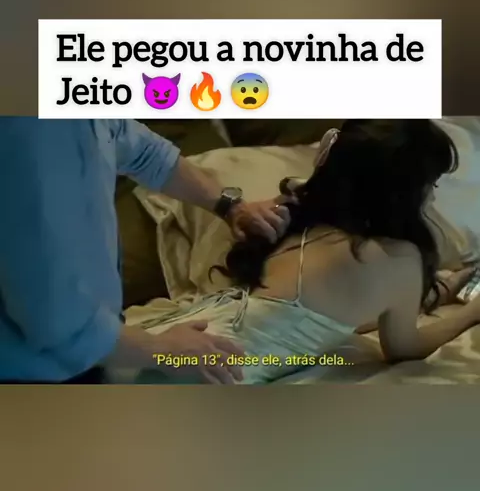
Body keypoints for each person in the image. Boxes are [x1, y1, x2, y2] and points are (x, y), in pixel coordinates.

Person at [135, 119, 480, 383]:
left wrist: (437, 293)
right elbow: (405, 348)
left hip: (162, 345)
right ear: (403, 190)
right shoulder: (398, 258)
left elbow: (325, 319)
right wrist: (470, 313)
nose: (433, 195)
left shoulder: (304, 222)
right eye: (430, 183)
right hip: (209, 373)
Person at [0, 118, 290, 384]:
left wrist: (229, 205)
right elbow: (59, 321)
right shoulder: (36, 135)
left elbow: (135, 144)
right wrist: (161, 348)